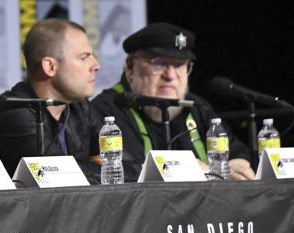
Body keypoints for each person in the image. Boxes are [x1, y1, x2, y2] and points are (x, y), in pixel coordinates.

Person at [91, 22, 254, 181]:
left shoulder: (198, 107)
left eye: (179, 65)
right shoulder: (106, 110)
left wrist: (237, 162)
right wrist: (182, 169)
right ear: (131, 66)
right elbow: (119, 169)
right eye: (159, 63)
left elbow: (233, 150)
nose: (170, 76)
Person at [0, 19, 101, 178]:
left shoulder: (81, 107)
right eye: (84, 57)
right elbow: (55, 177)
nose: (96, 65)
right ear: (50, 67)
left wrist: (101, 165)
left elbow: (118, 165)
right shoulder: (13, 112)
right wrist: (96, 164)